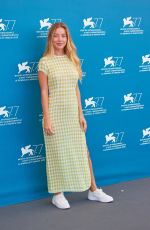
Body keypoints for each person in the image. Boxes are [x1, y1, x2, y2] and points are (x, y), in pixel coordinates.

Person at [38, 22, 113, 210]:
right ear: (50, 38)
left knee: (83, 151)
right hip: (55, 113)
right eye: (56, 35)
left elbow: (76, 89)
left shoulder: (72, 60)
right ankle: (58, 194)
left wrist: (81, 113)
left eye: (63, 36)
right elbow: (43, 91)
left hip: (72, 115)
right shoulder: (44, 62)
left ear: (68, 38)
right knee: (56, 153)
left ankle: (93, 189)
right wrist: (47, 117)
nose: (59, 39)